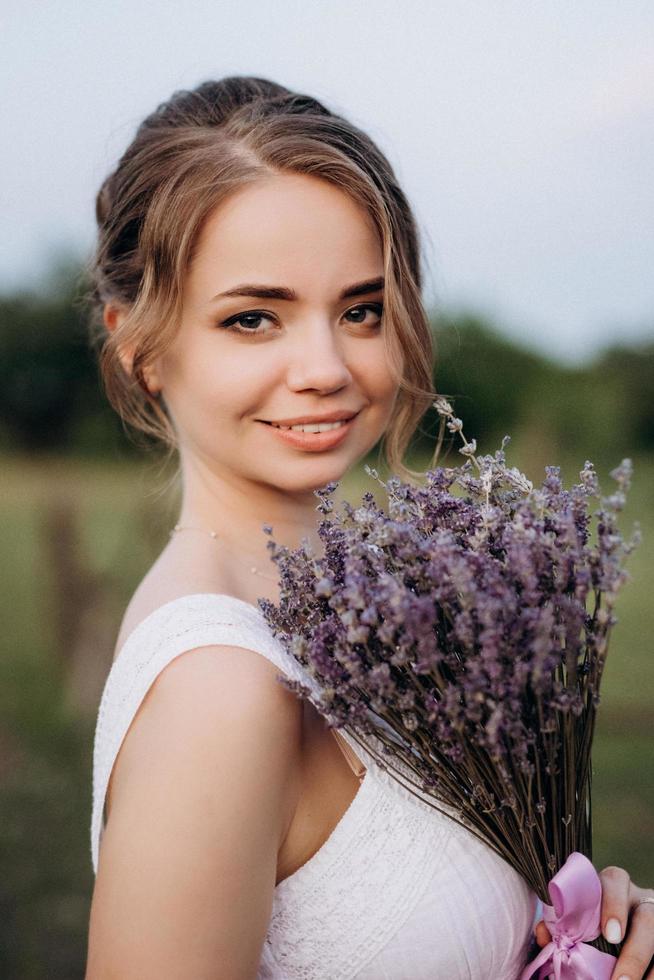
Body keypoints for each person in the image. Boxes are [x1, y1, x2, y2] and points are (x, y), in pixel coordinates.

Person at [84, 76, 654, 979]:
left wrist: (577, 934)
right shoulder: (218, 695)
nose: (325, 367)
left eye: (361, 310)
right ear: (140, 344)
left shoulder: (388, 613)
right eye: (254, 318)